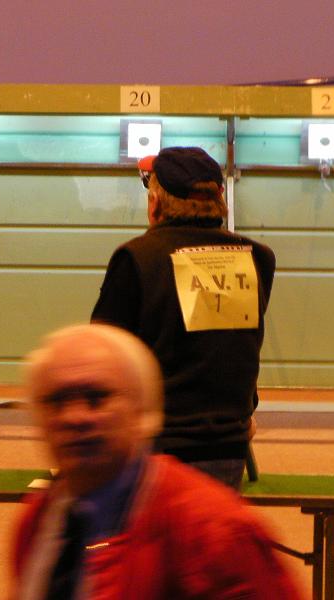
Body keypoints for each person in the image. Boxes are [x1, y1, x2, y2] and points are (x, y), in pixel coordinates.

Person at [11, 323, 301, 600]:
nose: (75, 417)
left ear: (141, 409)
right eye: (56, 401)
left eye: (97, 398)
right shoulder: (38, 522)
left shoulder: (214, 534)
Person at [91, 147, 276, 489]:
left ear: (156, 204)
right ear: (219, 200)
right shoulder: (257, 258)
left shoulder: (137, 258)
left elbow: (102, 357)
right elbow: (228, 347)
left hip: (154, 448)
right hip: (230, 444)